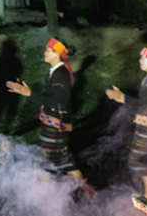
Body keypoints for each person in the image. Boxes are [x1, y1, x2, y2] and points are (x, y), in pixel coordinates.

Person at [7, 37, 88, 187]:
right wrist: (68, 121)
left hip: (54, 126)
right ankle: (91, 194)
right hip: (56, 124)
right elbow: (63, 101)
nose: (44, 53)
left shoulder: (60, 75)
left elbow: (55, 101)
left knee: (43, 164)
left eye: (48, 50)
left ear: (56, 54)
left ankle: (44, 200)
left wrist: (29, 94)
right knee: (65, 163)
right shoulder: (56, 72)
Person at [107, 47, 147, 199]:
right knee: (142, 160)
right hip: (146, 125)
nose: (140, 61)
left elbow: (144, 104)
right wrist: (121, 98)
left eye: (143, 58)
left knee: (135, 161)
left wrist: (122, 97)